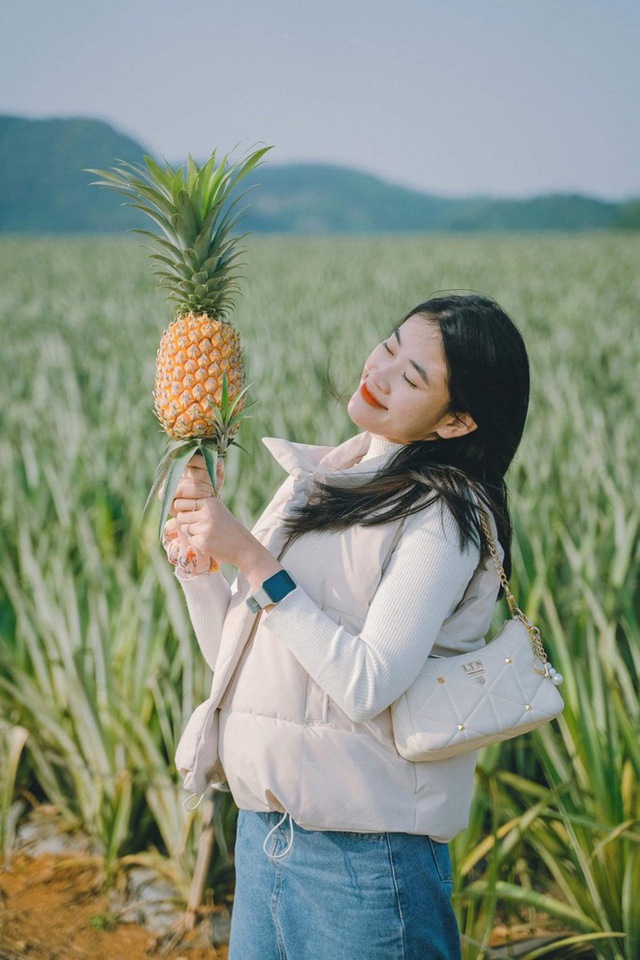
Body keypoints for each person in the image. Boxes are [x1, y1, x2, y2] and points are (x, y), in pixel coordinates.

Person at [162, 293, 530, 960]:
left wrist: (251, 556)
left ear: (457, 422)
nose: (381, 371)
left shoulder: (444, 516)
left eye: (413, 376)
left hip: (365, 863)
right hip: (266, 835)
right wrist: (200, 570)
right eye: (390, 346)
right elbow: (242, 666)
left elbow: (366, 686)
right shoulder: (321, 478)